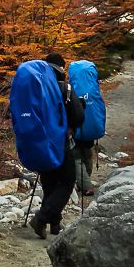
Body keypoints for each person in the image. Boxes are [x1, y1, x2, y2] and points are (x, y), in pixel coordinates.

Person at [29, 52, 85, 239]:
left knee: (50, 183)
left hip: (38, 143)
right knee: (67, 182)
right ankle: (41, 219)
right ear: (62, 67)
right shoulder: (64, 87)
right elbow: (78, 116)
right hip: (59, 142)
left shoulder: (35, 87)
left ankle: (54, 224)